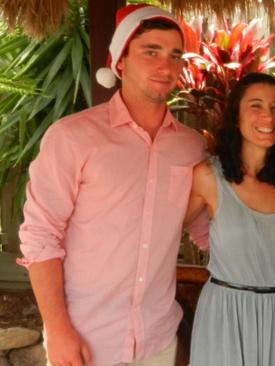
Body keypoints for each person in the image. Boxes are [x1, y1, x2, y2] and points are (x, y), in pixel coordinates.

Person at [18, 4, 205, 365]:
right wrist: (57, 329)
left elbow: (203, 227)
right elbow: (40, 237)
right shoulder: (72, 137)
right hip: (86, 339)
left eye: (175, 55)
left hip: (157, 339)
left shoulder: (190, 146)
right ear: (120, 61)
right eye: (150, 51)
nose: (165, 66)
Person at [184, 73, 275, 366]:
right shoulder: (209, 176)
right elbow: (161, 232)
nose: (268, 116)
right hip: (227, 312)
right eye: (256, 106)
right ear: (236, 117)